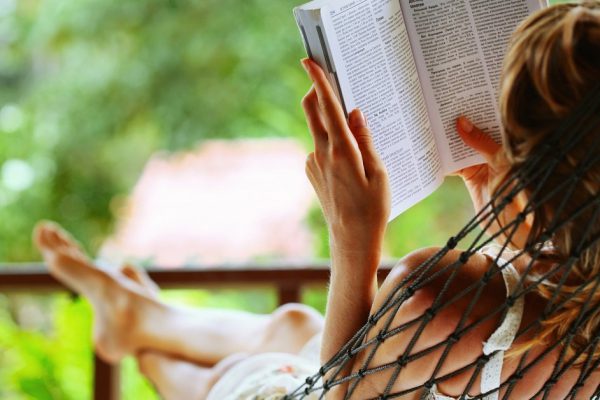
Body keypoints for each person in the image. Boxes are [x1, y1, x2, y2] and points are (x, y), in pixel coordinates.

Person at [33, 2, 599, 399]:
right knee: (291, 323)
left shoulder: (438, 298)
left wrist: (353, 234)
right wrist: (495, 202)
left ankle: (142, 344)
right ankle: (136, 316)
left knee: (242, 371)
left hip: (318, 389)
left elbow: (333, 392)